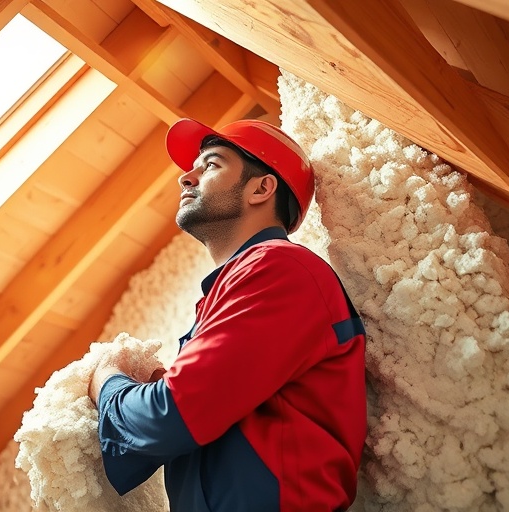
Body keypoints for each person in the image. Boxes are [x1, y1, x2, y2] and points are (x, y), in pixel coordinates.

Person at [88, 118, 367, 511]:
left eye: (212, 164)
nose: (186, 177)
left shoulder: (279, 269)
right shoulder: (237, 287)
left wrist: (106, 379)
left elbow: (170, 418)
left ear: (261, 188)